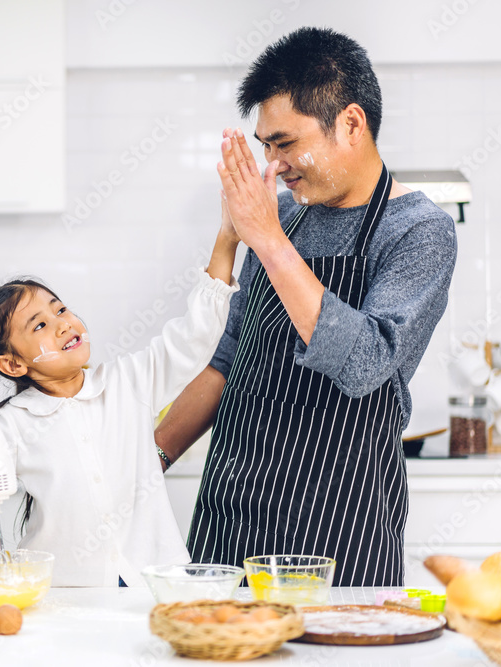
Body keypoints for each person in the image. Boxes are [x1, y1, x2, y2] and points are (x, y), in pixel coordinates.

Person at [155, 27, 457, 587]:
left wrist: (266, 241)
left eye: (286, 143)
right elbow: (226, 361)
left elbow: (366, 361)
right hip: (233, 517)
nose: (274, 165)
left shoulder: (418, 232)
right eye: (265, 146)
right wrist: (148, 461)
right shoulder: (286, 216)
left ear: (350, 123)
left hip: (339, 528)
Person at [0, 209, 240, 587]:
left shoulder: (129, 382)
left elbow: (196, 335)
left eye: (61, 309)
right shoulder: (11, 424)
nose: (64, 323)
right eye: (40, 325)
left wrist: (228, 236)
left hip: (153, 584)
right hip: (66, 591)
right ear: (13, 364)